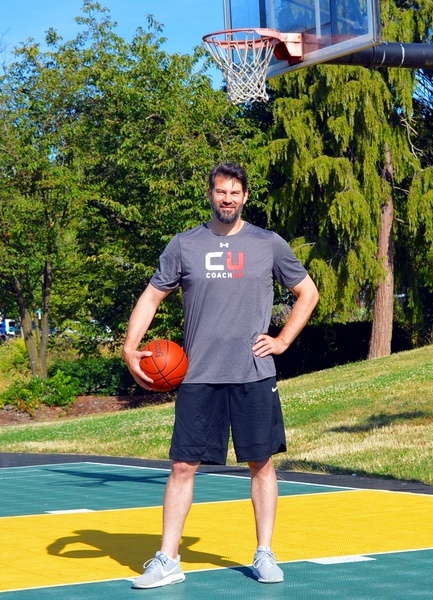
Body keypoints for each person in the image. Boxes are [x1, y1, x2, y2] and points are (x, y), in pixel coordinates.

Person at [122, 163, 319, 589]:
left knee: (261, 463)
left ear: (245, 196)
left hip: (253, 372)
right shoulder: (184, 245)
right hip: (198, 375)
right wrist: (129, 346)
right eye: (220, 192)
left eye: (234, 192)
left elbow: (308, 292)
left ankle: (264, 552)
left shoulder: (267, 243)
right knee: (182, 466)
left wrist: (283, 340)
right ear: (209, 194)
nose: (227, 199)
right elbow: (152, 297)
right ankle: (168, 559)